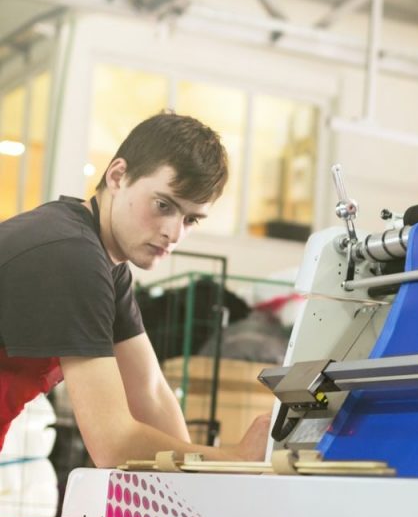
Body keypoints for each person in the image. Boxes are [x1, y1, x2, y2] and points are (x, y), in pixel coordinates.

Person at [0, 111, 270, 466]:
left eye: (190, 219)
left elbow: (150, 392)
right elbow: (112, 442)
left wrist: (204, 476)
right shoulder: (71, 254)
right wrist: (234, 458)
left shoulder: (105, 263)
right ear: (117, 176)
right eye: (163, 205)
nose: (174, 233)